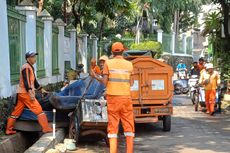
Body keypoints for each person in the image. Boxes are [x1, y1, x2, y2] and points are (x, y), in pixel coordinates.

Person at [91, 42, 135, 153]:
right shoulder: (129, 65)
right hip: (126, 98)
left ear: (112, 52)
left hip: (113, 99)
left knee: (113, 128)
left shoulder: (108, 64)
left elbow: (104, 82)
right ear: (123, 51)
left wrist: (95, 76)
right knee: (129, 128)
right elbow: (132, 83)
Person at [6, 52, 53, 135]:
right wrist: (31, 94)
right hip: (26, 93)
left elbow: (34, 81)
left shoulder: (30, 67)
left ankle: (9, 129)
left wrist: (42, 89)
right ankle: (46, 128)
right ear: (28, 59)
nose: (35, 58)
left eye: (35, 56)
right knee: (39, 110)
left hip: (22, 93)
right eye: (33, 57)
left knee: (16, 112)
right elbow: (26, 82)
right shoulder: (26, 67)